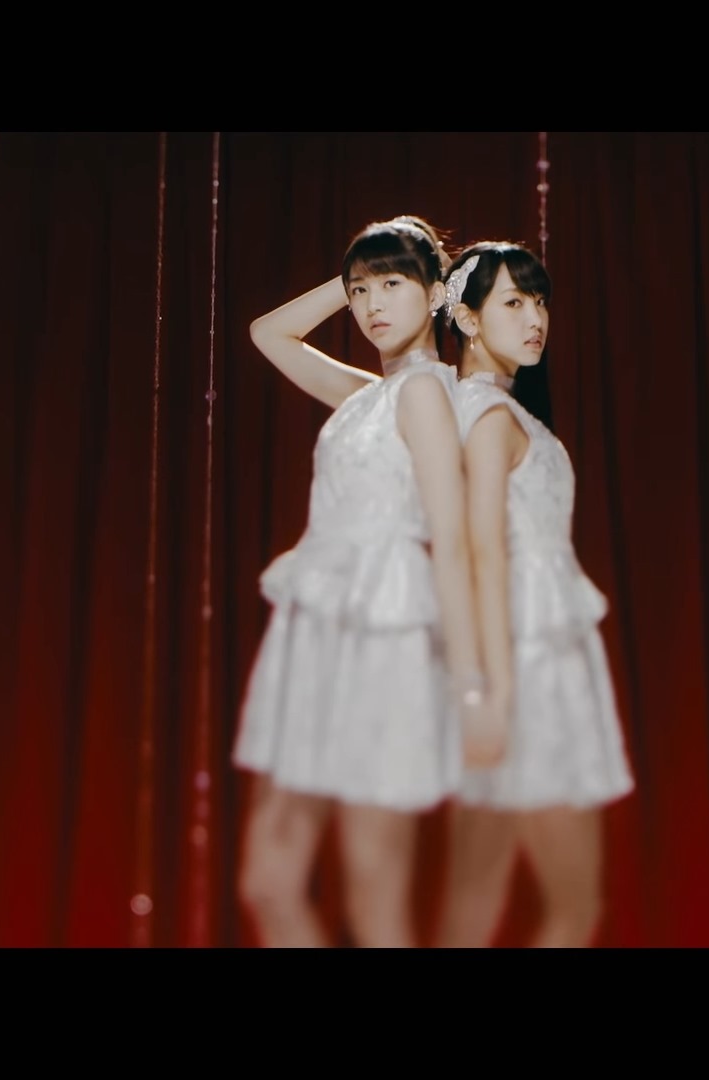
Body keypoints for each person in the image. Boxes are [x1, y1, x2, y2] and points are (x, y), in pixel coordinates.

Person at [232, 216, 494, 947]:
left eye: (391, 285)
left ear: (437, 294)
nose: (372, 304)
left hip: (387, 640)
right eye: (360, 291)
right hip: (320, 634)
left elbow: (454, 541)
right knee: (270, 882)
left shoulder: (430, 395)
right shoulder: (367, 394)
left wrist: (472, 686)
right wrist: (363, 269)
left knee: (375, 899)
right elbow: (268, 333)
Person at [432, 242, 634, 948]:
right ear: (466, 318)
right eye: (514, 302)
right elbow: (483, 553)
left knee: (478, 894)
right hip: (525, 666)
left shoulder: (488, 411)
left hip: (523, 657)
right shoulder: (487, 417)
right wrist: (494, 693)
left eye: (540, 301)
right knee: (568, 901)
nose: (535, 318)